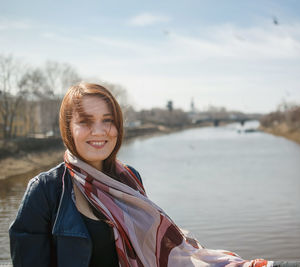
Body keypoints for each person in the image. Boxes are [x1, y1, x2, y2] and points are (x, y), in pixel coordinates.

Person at [9, 82, 271, 267]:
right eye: (85, 122)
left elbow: (153, 250)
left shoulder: (129, 178)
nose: (99, 131)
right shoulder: (45, 190)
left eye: (108, 120)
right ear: (68, 129)